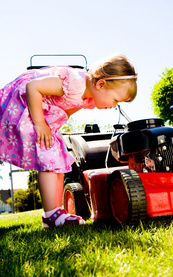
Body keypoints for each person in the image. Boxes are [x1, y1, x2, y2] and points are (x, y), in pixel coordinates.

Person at [0, 54, 137, 227]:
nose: (114, 105)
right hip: (23, 105)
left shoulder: (88, 99)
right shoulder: (75, 82)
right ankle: (51, 215)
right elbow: (32, 87)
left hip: (43, 114)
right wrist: (41, 124)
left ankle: (56, 212)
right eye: (115, 99)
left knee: (58, 158)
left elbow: (66, 111)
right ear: (101, 84)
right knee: (48, 156)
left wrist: (52, 126)